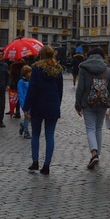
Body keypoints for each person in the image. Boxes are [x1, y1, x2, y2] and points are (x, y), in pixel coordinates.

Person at [75, 47, 110, 169]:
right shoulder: (107, 69)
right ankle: (97, 155)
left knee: (90, 128)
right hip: (103, 102)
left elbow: (80, 88)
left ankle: (94, 153)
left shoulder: (83, 69)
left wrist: (77, 104)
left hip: (88, 103)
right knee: (98, 128)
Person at [24, 45, 64, 175]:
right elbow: (60, 90)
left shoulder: (36, 69)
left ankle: (35, 162)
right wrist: (57, 104)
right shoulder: (58, 69)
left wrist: (26, 106)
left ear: (40, 55)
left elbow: (32, 89)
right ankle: (46, 165)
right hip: (52, 105)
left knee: (35, 134)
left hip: (38, 105)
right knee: (49, 135)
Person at [17, 65, 31, 138]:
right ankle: (26, 132)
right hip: (25, 102)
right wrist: (23, 105)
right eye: (29, 72)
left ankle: (23, 125)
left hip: (32, 102)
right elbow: (20, 94)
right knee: (27, 116)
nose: (30, 73)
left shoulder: (32, 81)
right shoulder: (21, 82)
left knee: (31, 117)